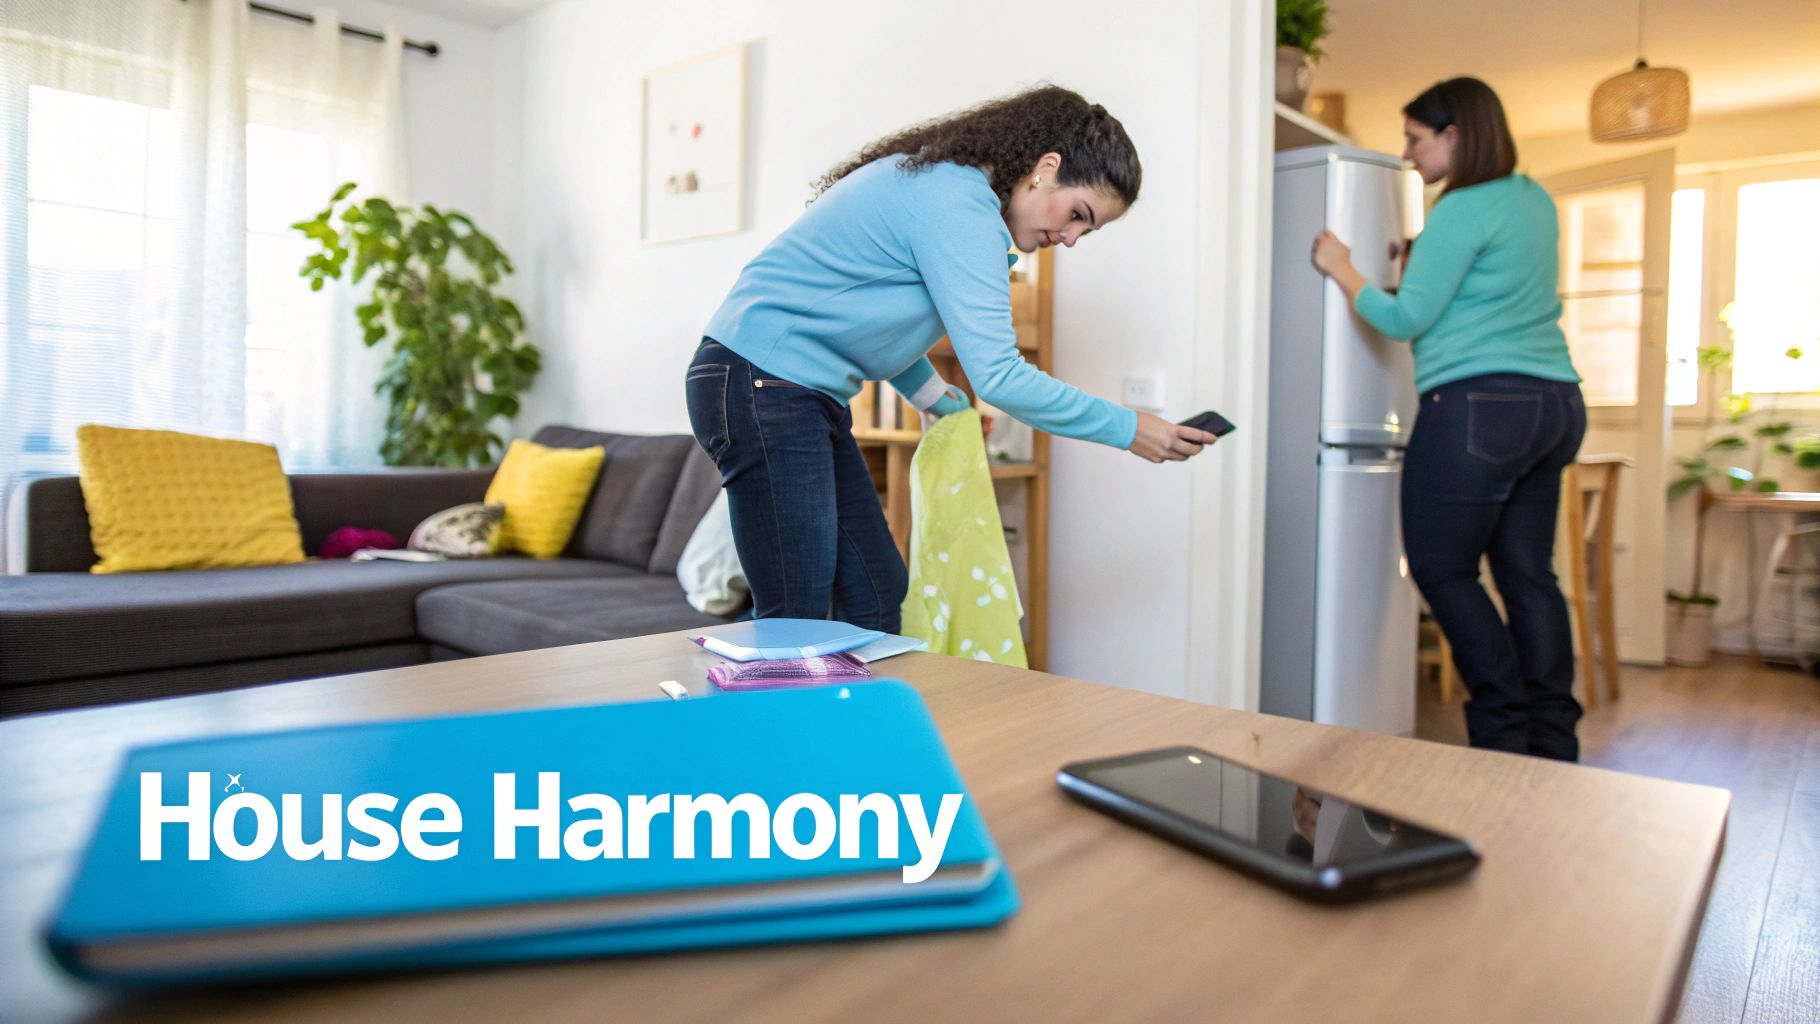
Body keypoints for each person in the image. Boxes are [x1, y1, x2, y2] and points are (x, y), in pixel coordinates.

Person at [686, 85, 1216, 633]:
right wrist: (1130, 428)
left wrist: (935, 397)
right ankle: (759, 716)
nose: (1072, 237)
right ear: (1046, 167)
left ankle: (865, 720)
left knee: (875, 590)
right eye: (1078, 214)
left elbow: (864, 316)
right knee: (795, 613)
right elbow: (1003, 377)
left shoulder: (949, 192)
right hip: (759, 382)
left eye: (1088, 229)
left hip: (787, 390)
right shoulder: (959, 205)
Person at [1310, 77, 1586, 761]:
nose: (1407, 154)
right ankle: (1552, 737)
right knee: (1527, 572)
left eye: (1415, 138)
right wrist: (1417, 262)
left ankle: (1500, 720)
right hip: (1555, 402)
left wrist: (1344, 268)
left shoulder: (1459, 209)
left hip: (1479, 408)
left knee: (1442, 568)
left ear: (1454, 136)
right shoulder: (1532, 199)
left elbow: (1405, 318)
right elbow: (1487, 296)